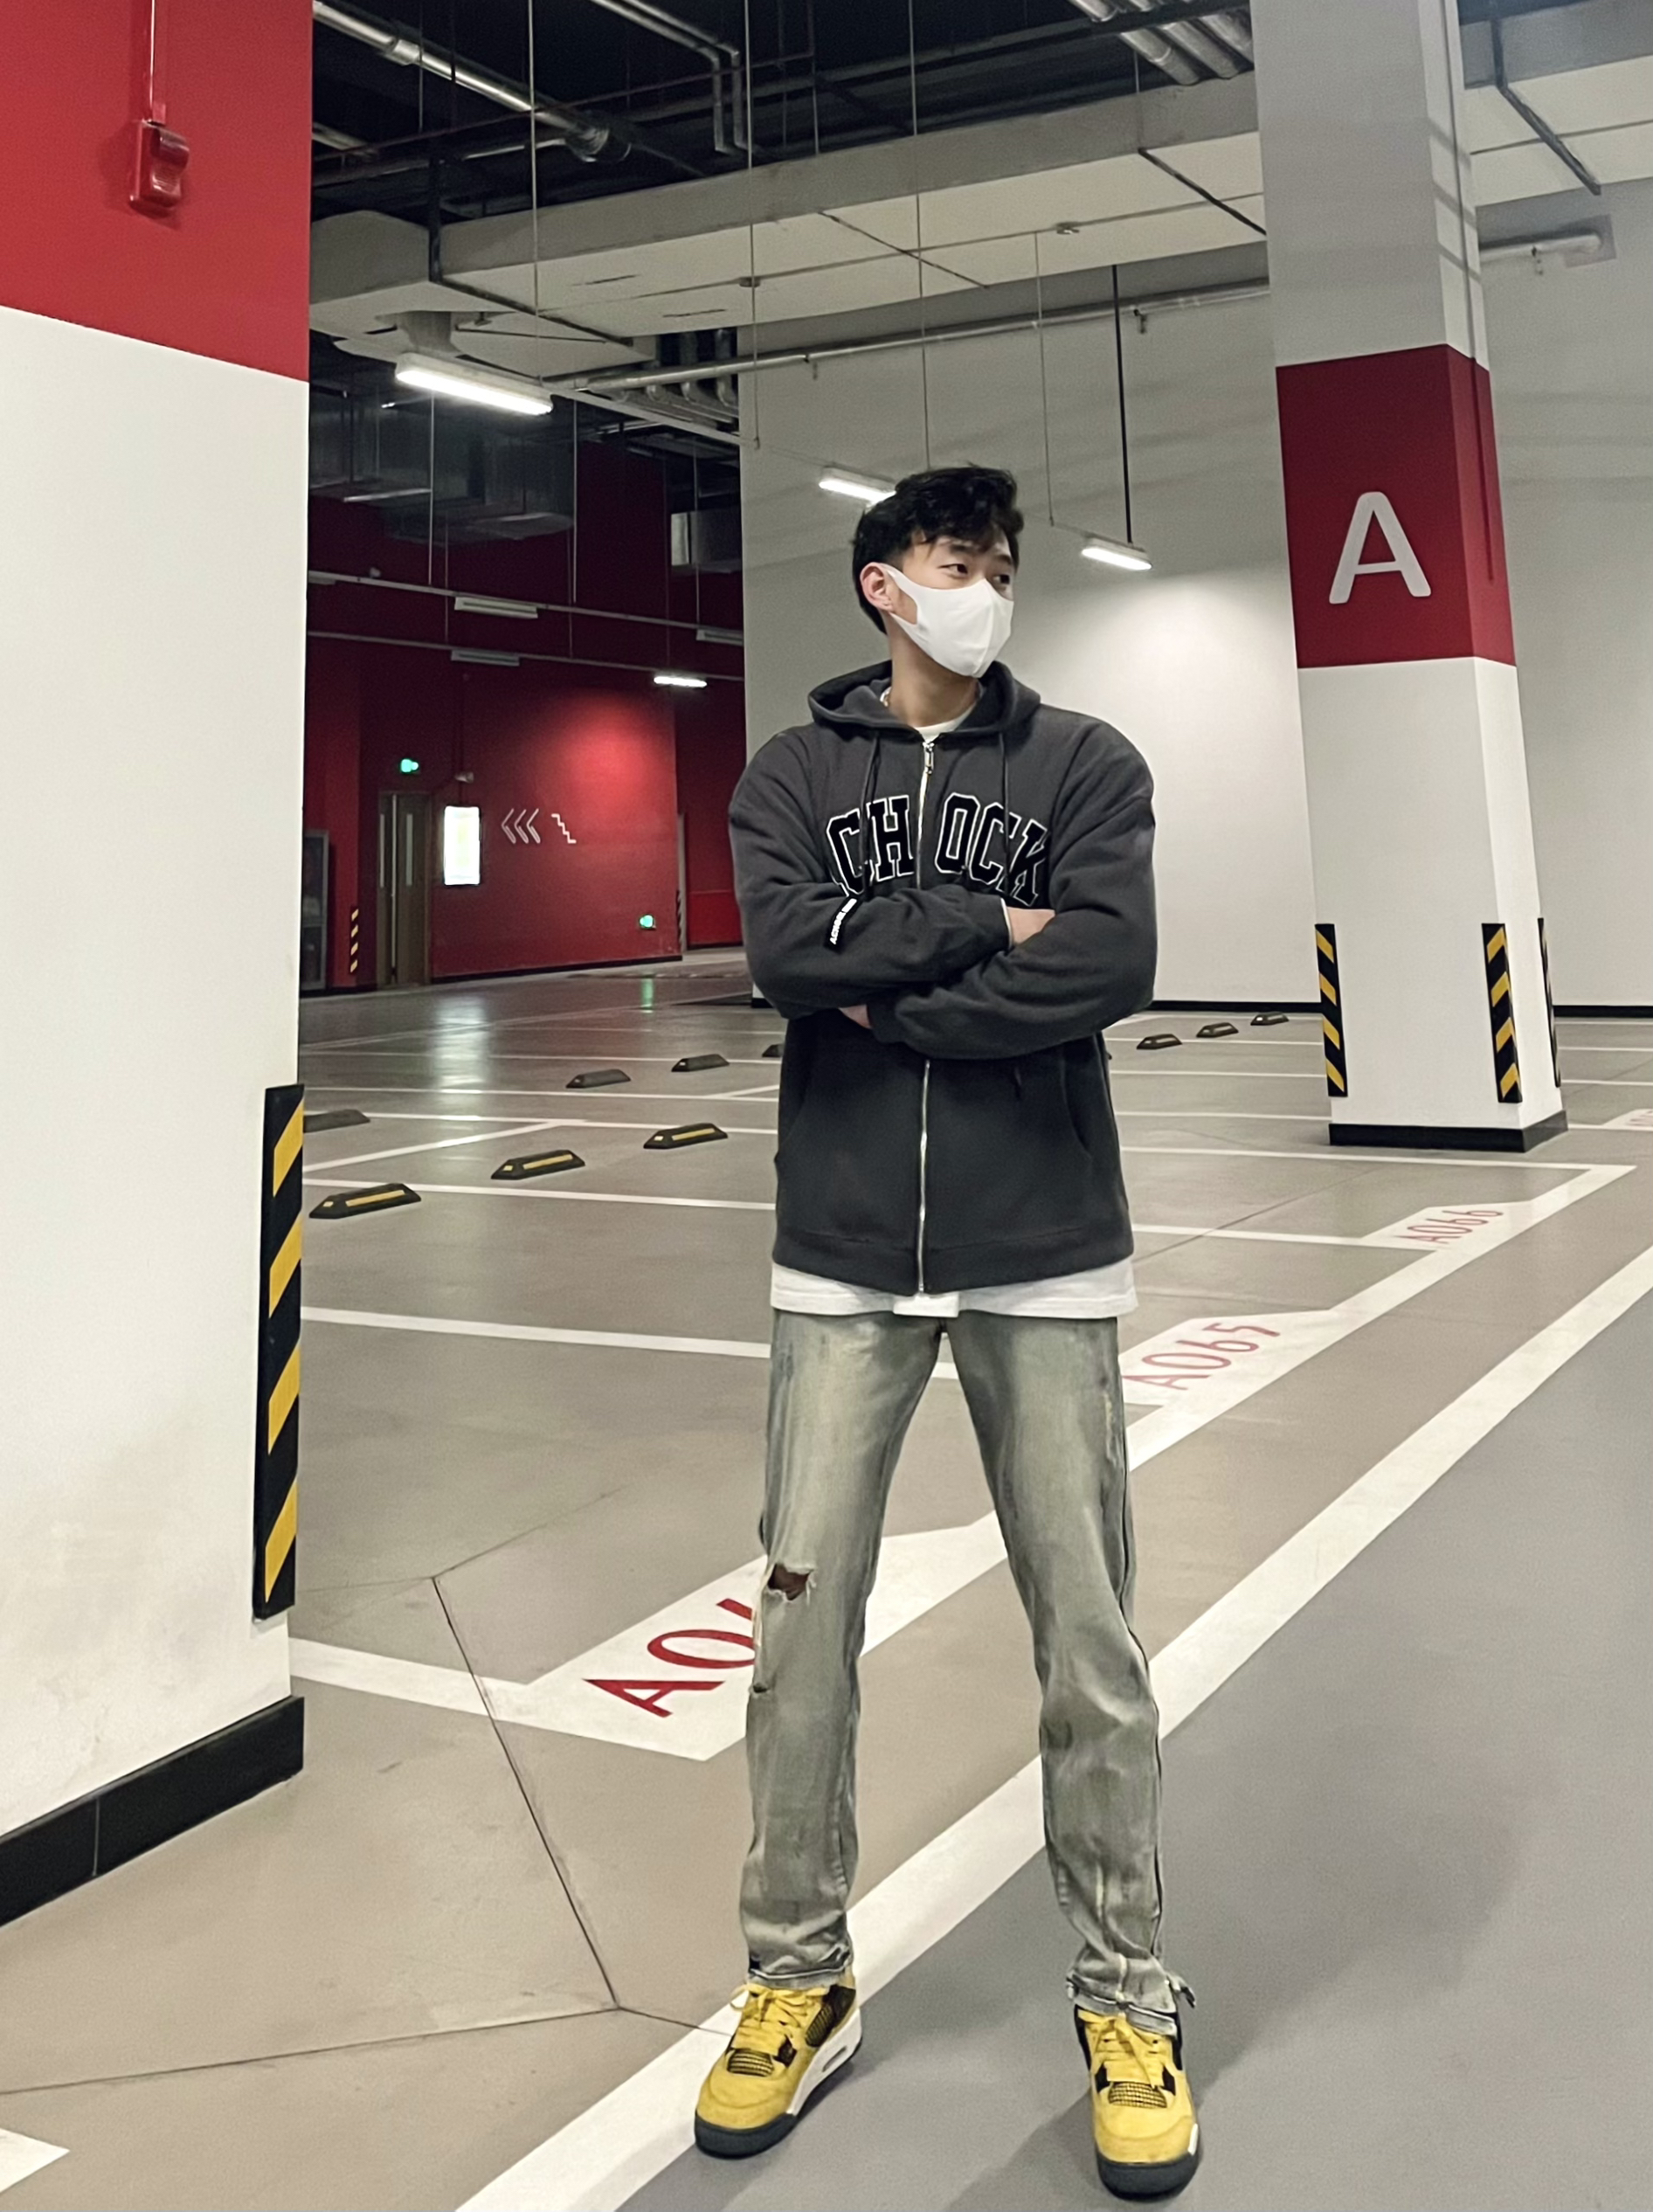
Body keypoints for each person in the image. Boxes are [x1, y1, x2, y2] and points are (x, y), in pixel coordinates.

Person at [694, 464, 1197, 2200]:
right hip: (839, 1256)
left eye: (998, 566)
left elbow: (1109, 963)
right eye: (953, 562)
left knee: (1090, 1643)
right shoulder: (792, 772)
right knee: (798, 1636)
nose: (983, 588)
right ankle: (796, 1978)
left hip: (1042, 1247)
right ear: (881, 586)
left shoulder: (1084, 764)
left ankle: (1127, 1993)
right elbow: (782, 954)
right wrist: (988, 923)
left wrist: (889, 998)